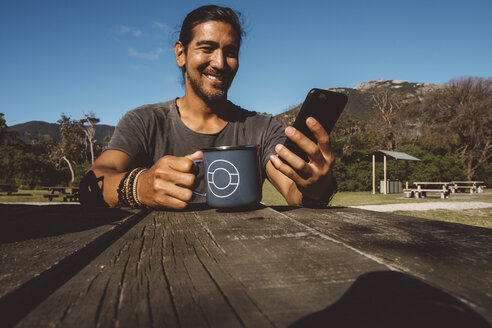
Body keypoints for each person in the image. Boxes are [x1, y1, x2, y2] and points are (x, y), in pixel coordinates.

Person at [80, 5, 336, 209]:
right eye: (207, 48)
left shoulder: (262, 128)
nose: (220, 62)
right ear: (181, 53)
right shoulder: (144, 121)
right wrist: (139, 187)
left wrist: (316, 187)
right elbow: (92, 184)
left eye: (231, 52)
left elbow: (293, 192)